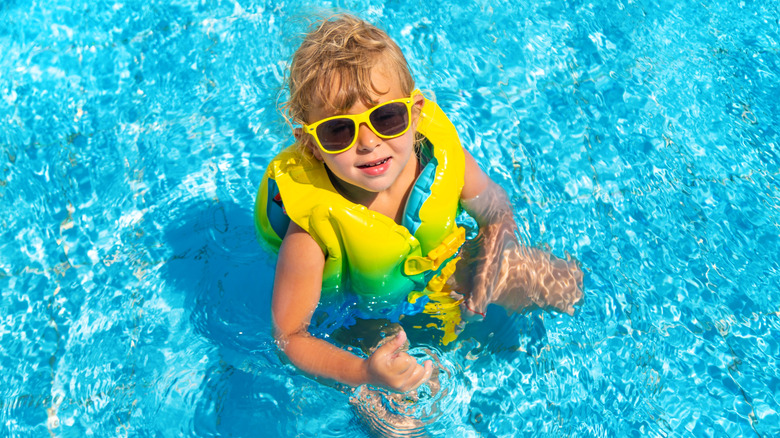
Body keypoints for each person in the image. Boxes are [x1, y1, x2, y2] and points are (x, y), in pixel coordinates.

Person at [254, 13, 583, 395]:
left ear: (415, 112)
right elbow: (290, 336)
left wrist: (490, 266)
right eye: (339, 130)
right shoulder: (310, 234)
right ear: (312, 144)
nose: (368, 142)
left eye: (387, 117)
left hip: (445, 271)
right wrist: (365, 373)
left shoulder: (441, 157)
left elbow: (494, 210)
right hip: (369, 322)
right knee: (403, 409)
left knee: (563, 282)